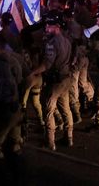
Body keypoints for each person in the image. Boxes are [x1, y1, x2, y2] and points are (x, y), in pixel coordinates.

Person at [29, 12, 73, 149]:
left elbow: (46, 65)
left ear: (57, 27)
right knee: (66, 109)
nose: (46, 28)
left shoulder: (51, 43)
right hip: (66, 78)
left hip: (55, 82)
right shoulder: (66, 40)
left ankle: (50, 142)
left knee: (48, 111)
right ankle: (69, 138)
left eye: (49, 26)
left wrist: (32, 73)